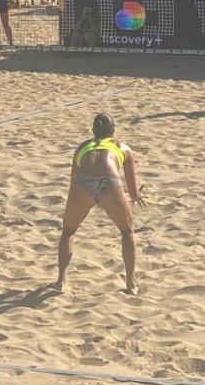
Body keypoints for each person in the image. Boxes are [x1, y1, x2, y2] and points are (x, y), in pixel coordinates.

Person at [55, 113, 145, 294]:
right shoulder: (122, 147)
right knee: (127, 231)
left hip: (82, 184)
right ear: (113, 131)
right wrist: (135, 196)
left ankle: (61, 282)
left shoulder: (82, 147)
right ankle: (130, 285)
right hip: (109, 183)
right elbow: (132, 188)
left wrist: (78, 199)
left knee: (68, 232)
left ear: (93, 131)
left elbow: (74, 178)